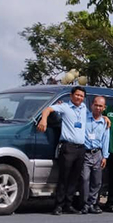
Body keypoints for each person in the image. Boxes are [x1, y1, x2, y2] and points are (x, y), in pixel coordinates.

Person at [37, 86, 88, 215]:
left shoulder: (84, 108)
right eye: (77, 95)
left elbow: (94, 117)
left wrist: (105, 118)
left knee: (74, 179)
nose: (79, 98)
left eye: (81, 96)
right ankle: (58, 205)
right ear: (71, 96)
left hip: (81, 148)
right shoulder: (64, 107)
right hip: (68, 147)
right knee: (63, 178)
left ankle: (68, 205)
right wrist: (44, 120)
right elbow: (47, 109)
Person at [80, 96, 110, 214]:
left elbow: (106, 140)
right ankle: (85, 204)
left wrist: (105, 156)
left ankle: (92, 203)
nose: (98, 108)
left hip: (98, 153)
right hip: (85, 152)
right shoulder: (84, 118)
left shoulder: (105, 122)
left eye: (100, 106)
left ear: (104, 108)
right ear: (92, 105)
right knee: (84, 179)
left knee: (97, 181)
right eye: (96, 105)